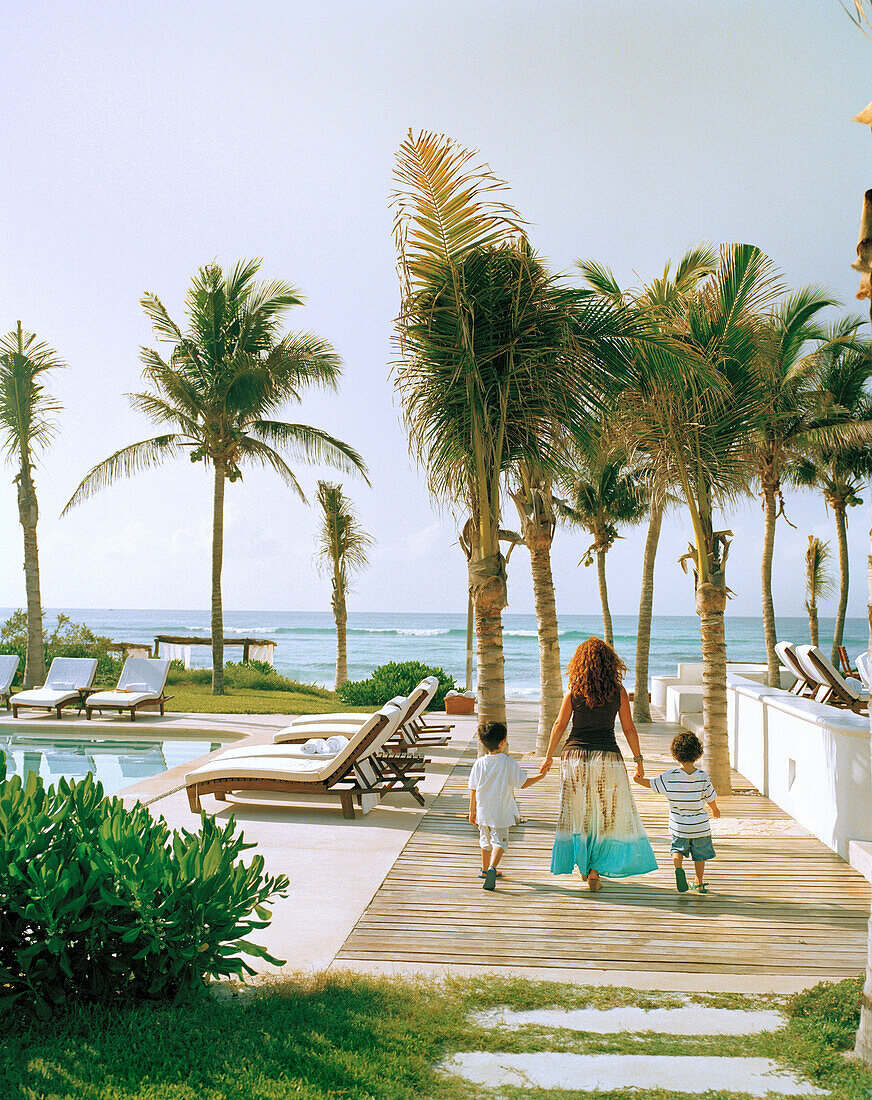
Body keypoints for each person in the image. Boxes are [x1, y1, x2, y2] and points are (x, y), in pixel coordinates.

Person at [539, 637, 657, 891]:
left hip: (574, 757)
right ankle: (594, 870)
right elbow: (628, 728)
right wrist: (639, 760)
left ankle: (583, 864)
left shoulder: (574, 690)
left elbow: (560, 725)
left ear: (580, 663)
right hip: (608, 757)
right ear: (610, 664)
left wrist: (549, 755)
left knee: (578, 813)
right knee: (605, 814)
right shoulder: (618, 692)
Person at [634, 730, 720, 893]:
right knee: (700, 855)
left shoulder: (669, 777)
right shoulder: (703, 776)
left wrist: (637, 778)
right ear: (698, 754)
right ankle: (699, 881)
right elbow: (710, 797)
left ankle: (678, 867)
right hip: (700, 826)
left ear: (675, 755)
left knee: (677, 850)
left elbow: (651, 784)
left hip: (679, 826)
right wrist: (715, 809)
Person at [468, 720, 545, 891]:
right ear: (502, 742)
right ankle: (492, 869)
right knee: (500, 842)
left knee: (485, 840)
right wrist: (541, 776)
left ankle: (484, 869)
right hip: (501, 811)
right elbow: (522, 783)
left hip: (482, 811)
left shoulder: (479, 763)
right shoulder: (508, 762)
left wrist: (471, 811)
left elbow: (473, 788)